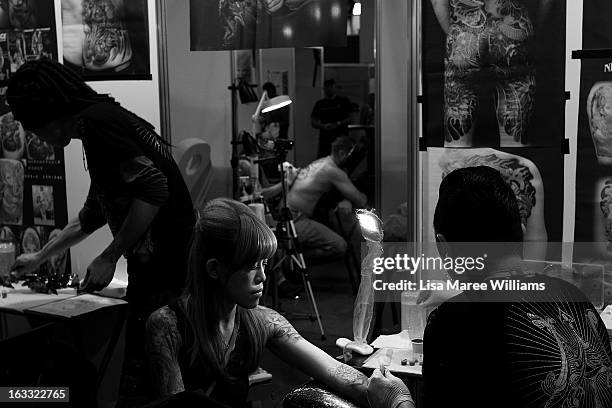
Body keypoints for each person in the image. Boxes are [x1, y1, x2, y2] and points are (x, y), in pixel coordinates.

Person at [7, 59, 195, 389]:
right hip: (158, 274)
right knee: (152, 378)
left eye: (33, 127)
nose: (35, 135)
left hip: (169, 277)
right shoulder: (101, 124)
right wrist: (39, 257)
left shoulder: (99, 125)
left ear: (49, 115)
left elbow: (155, 188)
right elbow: (90, 217)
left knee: (151, 382)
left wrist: (109, 256)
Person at [368, 166, 612, 408]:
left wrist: (397, 400)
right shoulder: (572, 295)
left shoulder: (454, 323)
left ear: (444, 248)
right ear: (521, 232)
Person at [146, 198, 410, 407]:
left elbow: (334, 372)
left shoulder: (262, 321)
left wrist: (391, 397)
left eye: (264, 264)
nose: (263, 277)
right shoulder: (168, 327)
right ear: (215, 268)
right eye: (251, 267)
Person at [430, 0, 553, 146]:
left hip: (466, 38)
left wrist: (456, 34)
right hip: (513, 36)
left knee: (457, 145)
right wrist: (530, 29)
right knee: (515, 142)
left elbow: (438, 2)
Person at [261, 136, 367, 264]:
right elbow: (360, 200)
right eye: (351, 155)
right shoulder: (333, 171)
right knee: (340, 247)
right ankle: (291, 262)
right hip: (295, 221)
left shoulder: (320, 162)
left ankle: (291, 260)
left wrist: (345, 199)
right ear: (342, 153)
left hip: (285, 218)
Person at [311, 79, 353, 158]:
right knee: (323, 163)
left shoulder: (343, 101)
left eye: (331, 87)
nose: (329, 89)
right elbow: (313, 121)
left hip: (341, 139)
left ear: (335, 88)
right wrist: (323, 126)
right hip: (325, 140)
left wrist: (338, 124)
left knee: (341, 162)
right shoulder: (320, 104)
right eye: (326, 87)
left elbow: (351, 119)